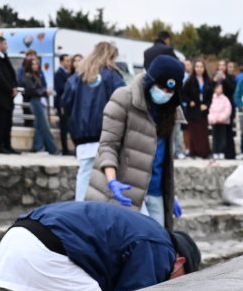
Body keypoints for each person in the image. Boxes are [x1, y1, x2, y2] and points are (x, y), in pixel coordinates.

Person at [0, 200, 183, 291]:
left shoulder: (149, 231)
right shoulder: (160, 246)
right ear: (180, 261)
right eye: (185, 277)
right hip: (46, 252)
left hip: (15, 241)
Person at [84, 52, 187, 224]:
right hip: (125, 188)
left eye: (170, 91)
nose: (164, 93)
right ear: (150, 81)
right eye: (161, 87)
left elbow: (164, 157)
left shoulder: (171, 111)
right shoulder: (124, 99)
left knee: (158, 243)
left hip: (155, 191)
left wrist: (170, 193)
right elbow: (108, 145)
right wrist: (112, 181)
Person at [57, 41, 127, 201]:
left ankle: (80, 205)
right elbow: (123, 101)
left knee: (85, 171)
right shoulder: (112, 75)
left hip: (81, 134)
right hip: (106, 132)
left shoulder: (77, 76)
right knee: (109, 172)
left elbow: (65, 103)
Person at [18, 50, 59, 155]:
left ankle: (38, 147)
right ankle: (53, 149)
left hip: (40, 102)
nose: (36, 65)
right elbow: (32, 90)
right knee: (45, 126)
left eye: (37, 63)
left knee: (39, 126)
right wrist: (44, 91)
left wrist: (44, 91)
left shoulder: (37, 75)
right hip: (35, 102)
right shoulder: (28, 76)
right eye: (34, 64)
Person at [181, 59, 213, 159]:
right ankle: (194, 152)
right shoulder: (189, 80)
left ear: (204, 69)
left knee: (203, 132)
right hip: (193, 110)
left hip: (203, 110)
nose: (199, 69)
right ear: (194, 68)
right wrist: (189, 101)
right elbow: (182, 93)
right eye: (197, 66)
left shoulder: (208, 81)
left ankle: (204, 152)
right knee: (194, 131)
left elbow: (211, 96)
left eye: (201, 67)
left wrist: (207, 105)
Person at [53, 54, 76, 155]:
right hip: (61, 103)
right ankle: (65, 149)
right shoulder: (59, 74)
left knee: (68, 126)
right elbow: (60, 89)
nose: (69, 63)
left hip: (68, 103)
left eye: (69, 61)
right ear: (61, 61)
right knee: (64, 126)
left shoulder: (68, 73)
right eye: (67, 61)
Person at [208, 77, 234, 161]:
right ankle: (215, 152)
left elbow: (228, 109)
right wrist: (213, 118)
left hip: (222, 122)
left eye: (220, 88)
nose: (219, 90)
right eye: (217, 88)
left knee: (222, 138)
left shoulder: (225, 99)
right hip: (214, 122)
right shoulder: (212, 98)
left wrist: (222, 118)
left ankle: (222, 152)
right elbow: (210, 110)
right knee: (215, 138)